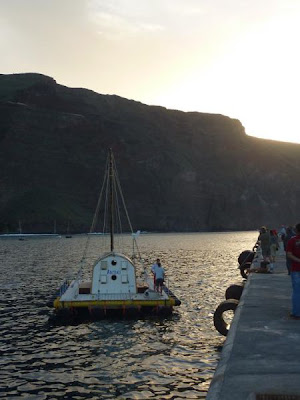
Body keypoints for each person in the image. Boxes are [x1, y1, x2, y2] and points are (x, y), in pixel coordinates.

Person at [286, 223, 300, 319]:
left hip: (296, 269)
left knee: (296, 292)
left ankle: (296, 313)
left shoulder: (292, 240)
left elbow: (289, 254)